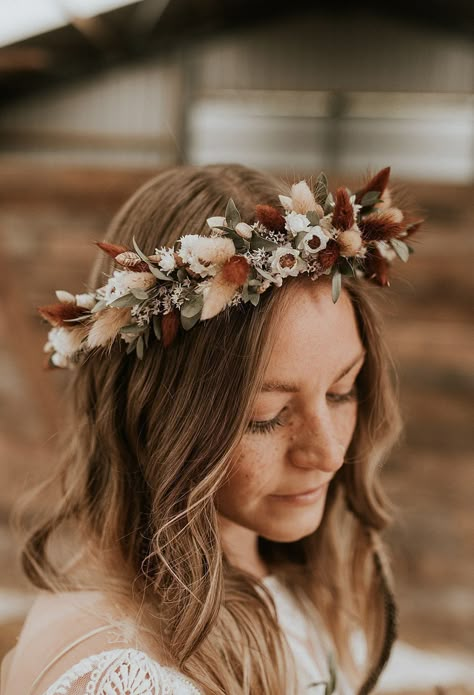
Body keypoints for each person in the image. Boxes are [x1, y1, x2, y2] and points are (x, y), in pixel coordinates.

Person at [0, 163, 422, 695]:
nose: (330, 454)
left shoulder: (285, 579)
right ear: (159, 417)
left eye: (341, 391)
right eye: (265, 418)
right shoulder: (121, 677)